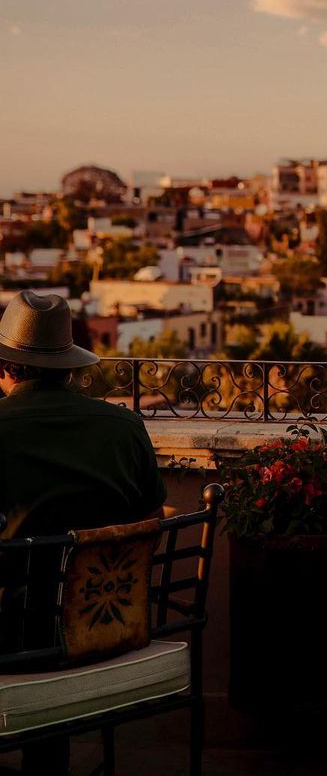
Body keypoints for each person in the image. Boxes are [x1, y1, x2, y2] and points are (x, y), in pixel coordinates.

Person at [0, 291, 167, 775]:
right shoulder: (124, 426)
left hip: (11, 635)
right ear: (70, 365)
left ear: (6, 365)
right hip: (106, 625)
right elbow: (149, 520)